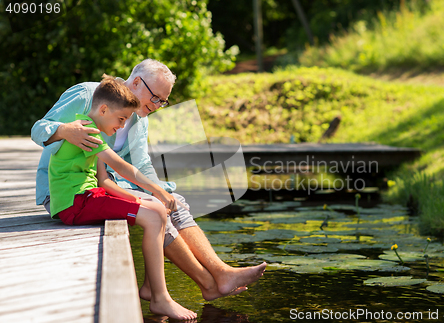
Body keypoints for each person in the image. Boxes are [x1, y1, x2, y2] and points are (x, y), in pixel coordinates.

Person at [31, 59, 267, 302]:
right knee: (155, 209)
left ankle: (221, 272)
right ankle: (206, 283)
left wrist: (163, 192)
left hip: (102, 184)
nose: (157, 106)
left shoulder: (138, 117)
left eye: (163, 101)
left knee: (172, 202)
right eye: (155, 98)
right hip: (68, 193)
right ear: (136, 81)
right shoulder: (89, 95)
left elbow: (140, 163)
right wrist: (65, 131)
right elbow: (39, 129)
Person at [47, 76, 197, 320]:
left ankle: (152, 288)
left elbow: (104, 180)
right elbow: (123, 168)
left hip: (88, 196)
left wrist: (144, 199)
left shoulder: (94, 129)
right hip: (75, 204)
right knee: (152, 216)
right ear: (103, 109)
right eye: (121, 120)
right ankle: (160, 299)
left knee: (156, 209)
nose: (121, 126)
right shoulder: (88, 130)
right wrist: (157, 190)